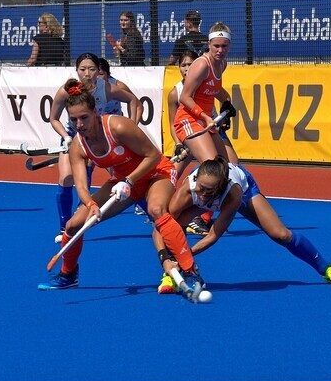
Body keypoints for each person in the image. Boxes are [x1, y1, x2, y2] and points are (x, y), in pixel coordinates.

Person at [38, 80, 203, 291]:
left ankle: (190, 271)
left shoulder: (117, 126)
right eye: (74, 119)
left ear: (95, 112)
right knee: (73, 225)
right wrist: (90, 205)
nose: (79, 124)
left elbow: (153, 156)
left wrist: (129, 180)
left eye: (84, 117)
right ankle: (68, 275)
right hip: (122, 183)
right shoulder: (78, 145)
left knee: (157, 210)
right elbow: (81, 187)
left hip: (155, 173)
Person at [154, 156, 331, 294]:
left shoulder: (233, 193)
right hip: (210, 203)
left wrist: (186, 257)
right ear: (195, 179)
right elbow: (159, 228)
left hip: (247, 189)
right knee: (174, 226)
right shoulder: (187, 191)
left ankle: (327, 269)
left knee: (280, 234)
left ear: (220, 187)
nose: (202, 194)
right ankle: (170, 274)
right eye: (200, 187)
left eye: (209, 190)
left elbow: (213, 235)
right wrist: (166, 258)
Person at [48, 53, 142, 243]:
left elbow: (134, 101)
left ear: (98, 71)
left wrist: (131, 127)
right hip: (75, 137)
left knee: (127, 175)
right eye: (83, 69)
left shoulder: (106, 87)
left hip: (103, 137)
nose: (87, 73)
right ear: (77, 71)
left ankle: (147, 206)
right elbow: (53, 118)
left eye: (91, 69)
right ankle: (65, 227)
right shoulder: (66, 91)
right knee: (66, 177)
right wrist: (66, 137)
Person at [167, 49, 239, 237]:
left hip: (209, 126)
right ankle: (169, 212)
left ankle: (199, 215)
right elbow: (173, 118)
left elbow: (218, 92)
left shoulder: (212, 69)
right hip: (191, 125)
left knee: (228, 167)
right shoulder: (176, 92)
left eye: (191, 64)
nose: (188, 68)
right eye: (184, 65)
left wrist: (226, 104)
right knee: (177, 171)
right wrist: (178, 142)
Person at [173, 21, 236, 165]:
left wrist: (226, 102)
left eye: (224, 46)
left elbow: (215, 89)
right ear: (209, 44)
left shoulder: (222, 64)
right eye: (216, 46)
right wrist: (205, 117)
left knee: (226, 165)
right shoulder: (202, 65)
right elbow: (184, 97)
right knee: (212, 166)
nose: (220, 50)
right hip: (188, 119)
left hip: (206, 122)